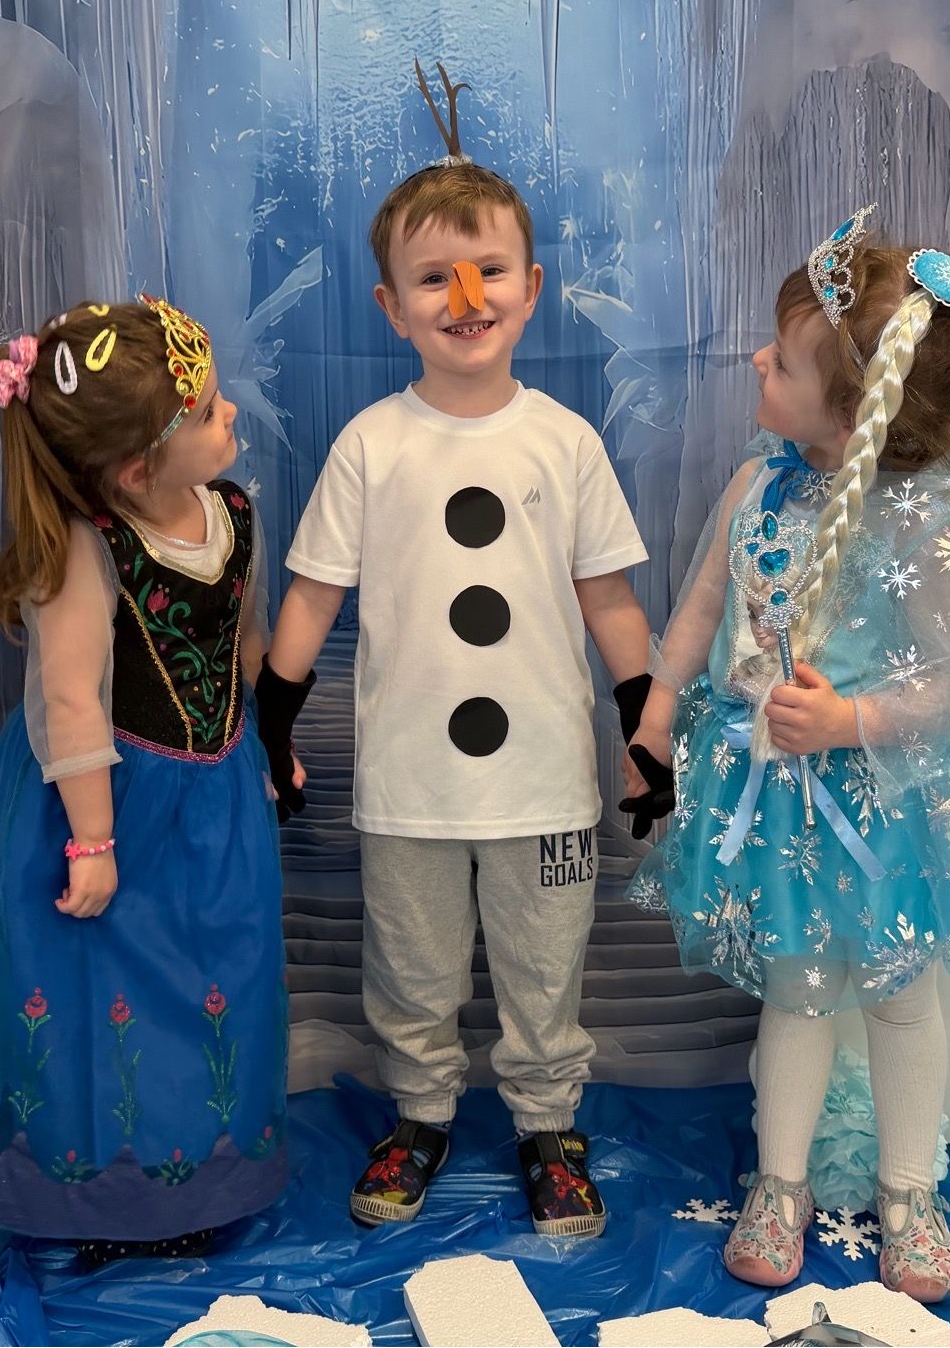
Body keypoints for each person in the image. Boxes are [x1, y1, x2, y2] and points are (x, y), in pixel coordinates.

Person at [623, 207, 950, 1300]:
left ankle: (911, 1190)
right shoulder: (758, 484)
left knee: (901, 997)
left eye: (781, 360)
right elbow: (701, 606)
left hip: (880, 806)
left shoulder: (927, 516)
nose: (756, 363)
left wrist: (850, 721)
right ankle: (780, 1182)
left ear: (858, 405)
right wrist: (658, 714)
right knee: (799, 987)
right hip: (773, 803)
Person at [254, 64, 653, 1239]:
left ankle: (548, 1127)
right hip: (410, 787)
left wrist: (646, 722)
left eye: (489, 272)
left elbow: (609, 599)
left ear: (533, 289)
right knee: (411, 969)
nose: (465, 296)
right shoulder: (370, 446)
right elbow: (311, 596)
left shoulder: (565, 443)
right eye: (435, 277)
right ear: (393, 306)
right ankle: (421, 1114)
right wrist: (272, 723)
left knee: (545, 968)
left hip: (545, 784)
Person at [0, 297, 290, 1258]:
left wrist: (265, 741)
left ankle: (196, 1173)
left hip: (213, 795)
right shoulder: (88, 546)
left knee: (214, 973)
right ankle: (108, 1195)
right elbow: (72, 699)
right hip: (108, 797)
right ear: (137, 468)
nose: (230, 415)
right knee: (110, 985)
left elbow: (243, 641)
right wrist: (92, 840)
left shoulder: (234, 514)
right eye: (207, 411)